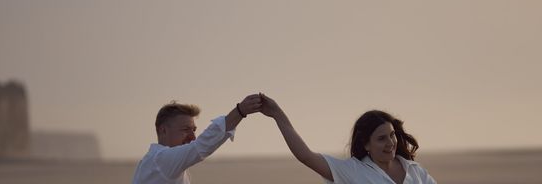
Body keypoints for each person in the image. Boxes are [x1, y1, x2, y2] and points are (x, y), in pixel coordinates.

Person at [259, 93, 436, 184]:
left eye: (392, 135)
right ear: (366, 143)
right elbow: (305, 156)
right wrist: (277, 114)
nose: (390, 143)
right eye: (381, 138)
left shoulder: (415, 171)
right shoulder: (352, 171)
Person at [132, 94, 262, 184]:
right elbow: (200, 146)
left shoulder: (155, 161)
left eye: (193, 130)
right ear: (163, 130)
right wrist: (240, 111)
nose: (192, 136)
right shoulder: (161, 160)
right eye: (185, 130)